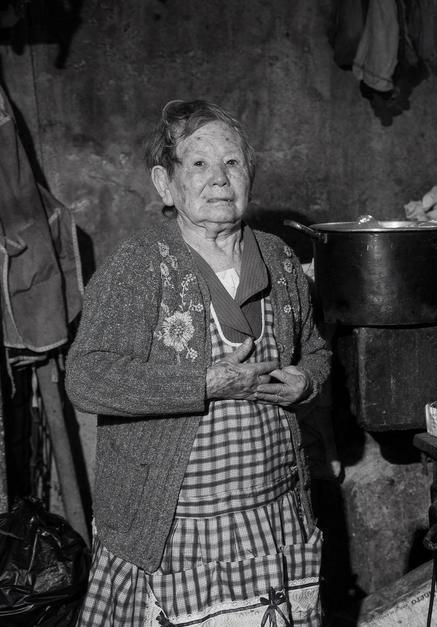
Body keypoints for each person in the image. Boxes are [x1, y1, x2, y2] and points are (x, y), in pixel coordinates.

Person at [65, 99, 332, 625]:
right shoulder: (140, 266)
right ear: (166, 184)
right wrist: (206, 381)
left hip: (274, 515)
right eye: (199, 164)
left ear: (249, 174)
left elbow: (317, 351)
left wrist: (305, 381)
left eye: (232, 163)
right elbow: (87, 378)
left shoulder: (279, 258)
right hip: (176, 526)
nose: (219, 179)